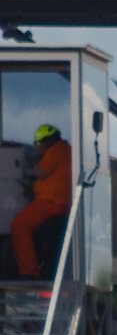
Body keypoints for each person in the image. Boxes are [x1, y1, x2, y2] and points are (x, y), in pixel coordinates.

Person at [7, 119, 72, 282]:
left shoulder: (57, 150)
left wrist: (24, 169)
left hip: (50, 203)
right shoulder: (65, 150)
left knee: (19, 225)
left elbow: (41, 172)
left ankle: (28, 272)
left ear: (46, 141)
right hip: (54, 203)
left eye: (38, 144)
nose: (38, 149)